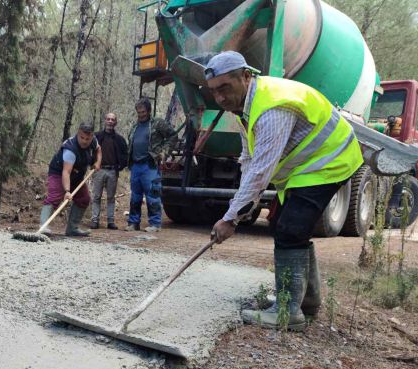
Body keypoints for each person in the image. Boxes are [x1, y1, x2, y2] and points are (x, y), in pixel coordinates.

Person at [206, 51, 363, 331]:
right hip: (305, 168)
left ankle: (288, 310)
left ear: (245, 76)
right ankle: (306, 302)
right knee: (285, 224)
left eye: (225, 88)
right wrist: (241, 206)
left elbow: (261, 172)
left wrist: (231, 219)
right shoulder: (247, 106)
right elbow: (250, 159)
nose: (219, 98)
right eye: (214, 91)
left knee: (291, 228)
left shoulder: (272, 108)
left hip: (330, 159)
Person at [40, 122, 102, 236]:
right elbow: (66, 172)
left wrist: (98, 162)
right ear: (78, 133)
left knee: (84, 198)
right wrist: (67, 191)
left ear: (92, 136)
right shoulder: (70, 149)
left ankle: (72, 229)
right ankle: (43, 226)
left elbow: (98, 149)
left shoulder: (93, 141)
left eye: (87, 139)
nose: (84, 141)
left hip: (77, 174)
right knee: (54, 197)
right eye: (82, 137)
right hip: (59, 172)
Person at [125, 98, 177, 233]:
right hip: (136, 165)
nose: (141, 114)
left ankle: (155, 223)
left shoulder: (157, 123)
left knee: (152, 194)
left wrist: (164, 152)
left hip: (150, 165)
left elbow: (172, 136)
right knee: (135, 196)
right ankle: (133, 222)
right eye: (138, 112)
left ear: (148, 111)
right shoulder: (135, 126)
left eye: (143, 111)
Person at [91, 113, 128, 230]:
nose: (110, 121)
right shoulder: (96, 137)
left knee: (111, 197)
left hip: (112, 171)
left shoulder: (120, 139)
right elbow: (89, 151)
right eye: (108, 119)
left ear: (115, 122)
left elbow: (125, 155)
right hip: (99, 170)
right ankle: (94, 221)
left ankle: (110, 221)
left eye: (113, 120)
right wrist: (92, 164)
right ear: (105, 121)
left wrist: (119, 167)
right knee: (96, 196)